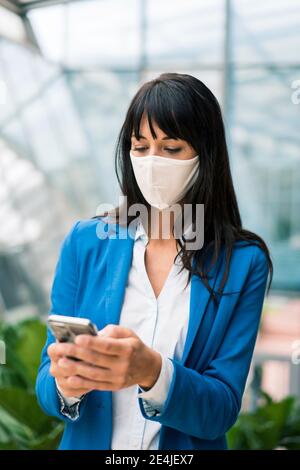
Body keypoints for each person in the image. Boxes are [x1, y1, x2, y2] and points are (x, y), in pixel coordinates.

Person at [35, 72, 273, 450]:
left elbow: (221, 409)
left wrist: (152, 371)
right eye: (140, 146)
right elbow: (46, 386)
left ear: (204, 152)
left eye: (171, 148)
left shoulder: (243, 263)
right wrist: (66, 382)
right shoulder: (86, 242)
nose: (151, 162)